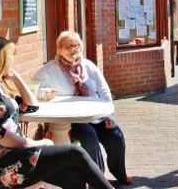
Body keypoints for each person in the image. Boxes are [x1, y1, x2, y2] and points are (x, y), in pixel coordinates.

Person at [0, 36, 114, 189]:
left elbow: (32, 105)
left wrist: (15, 77)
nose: (13, 60)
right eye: (11, 56)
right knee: (76, 152)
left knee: (73, 177)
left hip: (16, 155)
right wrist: (34, 143)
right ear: (0, 58)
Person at [33, 31, 132, 185]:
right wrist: (46, 93)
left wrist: (110, 116)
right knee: (89, 137)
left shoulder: (88, 65)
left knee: (116, 136)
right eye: (68, 46)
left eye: (76, 45)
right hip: (74, 119)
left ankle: (120, 174)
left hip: (97, 116)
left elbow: (104, 90)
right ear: (59, 49)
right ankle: (98, 180)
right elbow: (33, 89)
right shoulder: (51, 69)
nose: (73, 50)